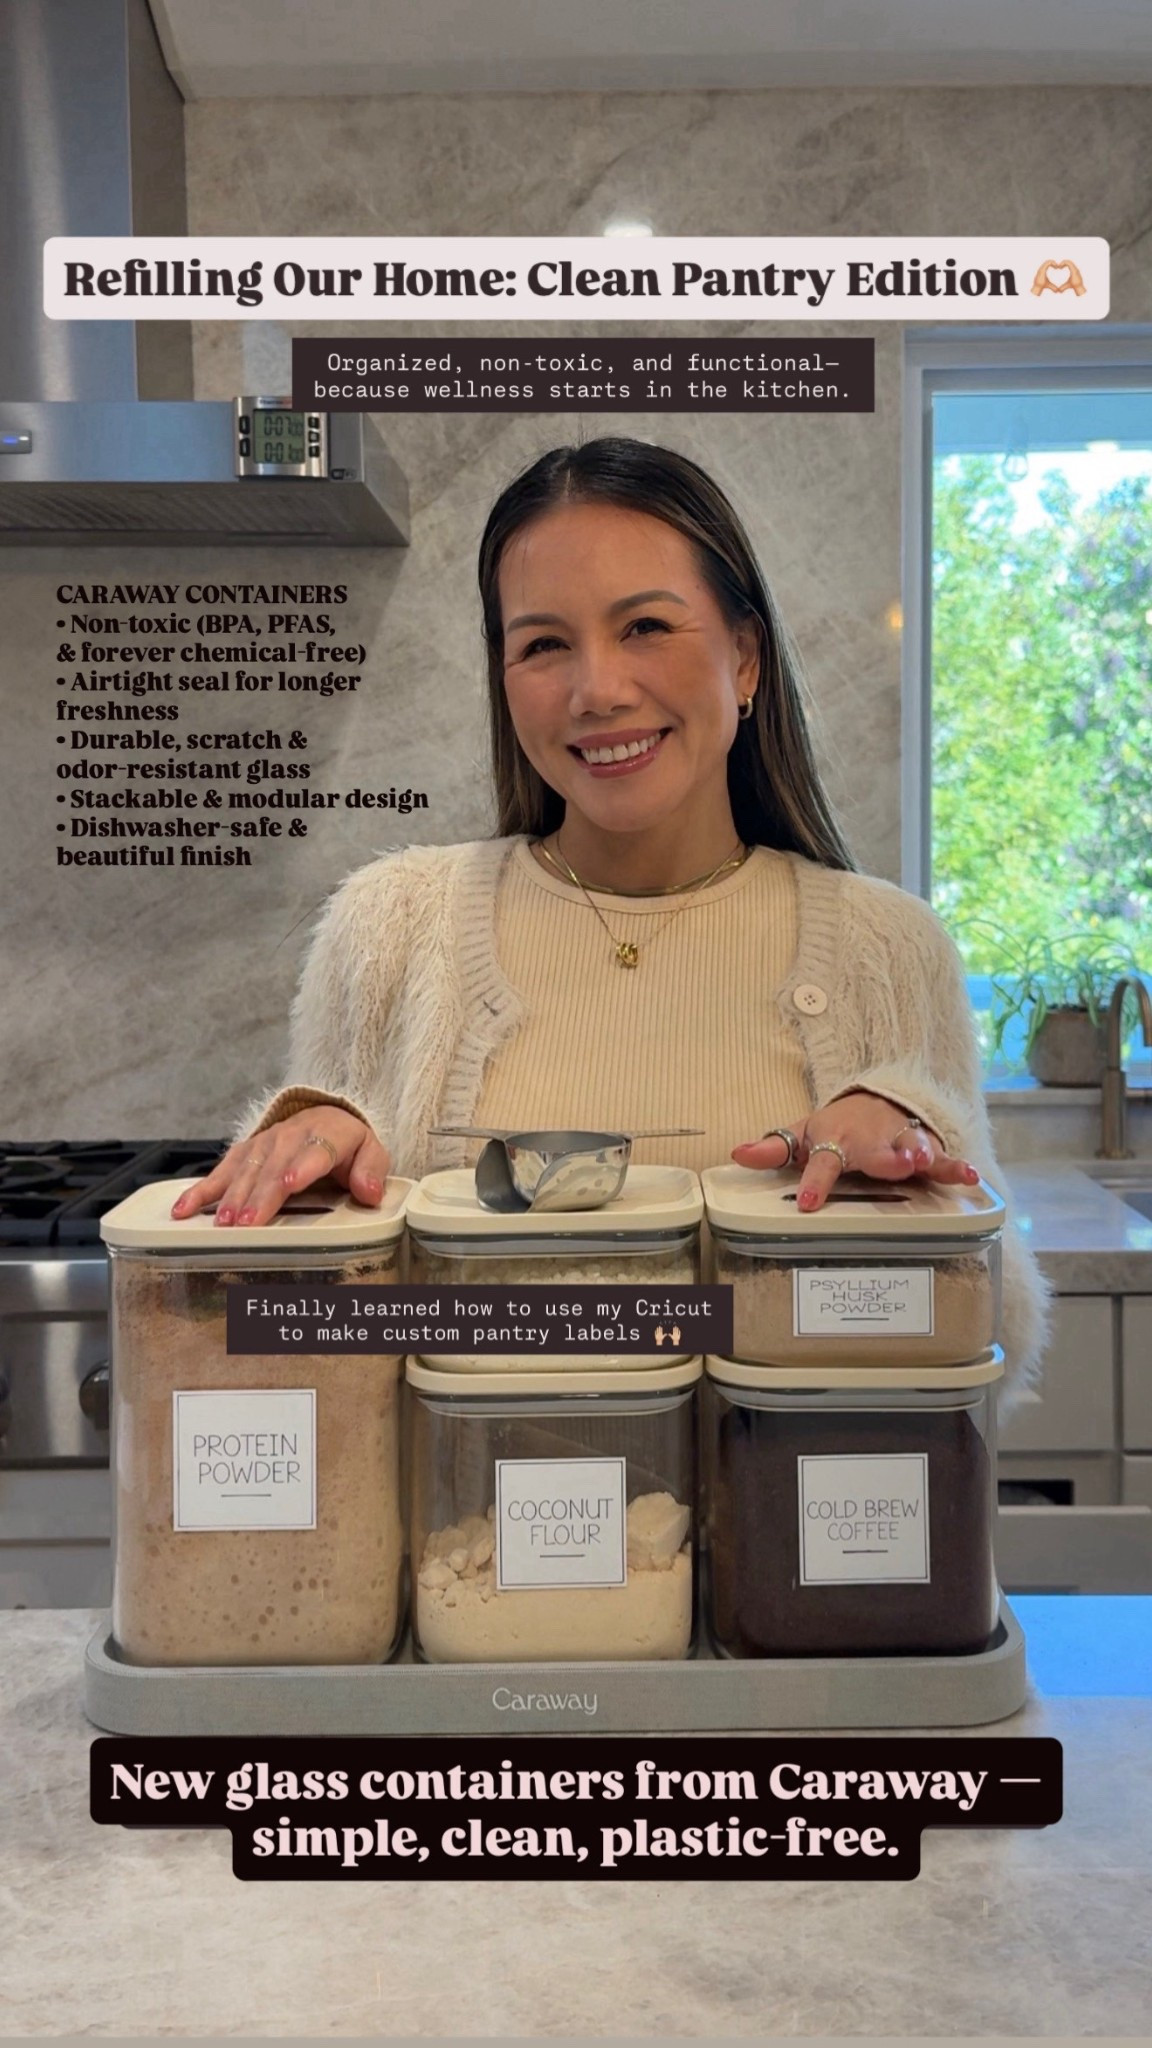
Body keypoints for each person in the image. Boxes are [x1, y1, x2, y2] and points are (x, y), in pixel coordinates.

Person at [174, 436, 1051, 1402]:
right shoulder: (393, 922)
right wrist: (312, 1151)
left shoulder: (890, 945)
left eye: (645, 627)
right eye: (544, 644)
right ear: (504, 680)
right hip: (471, 1545)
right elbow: (310, 1343)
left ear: (745, 656)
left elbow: (993, 1343)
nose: (598, 690)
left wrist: (918, 1154)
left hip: (775, 1544)